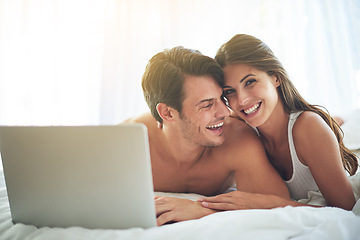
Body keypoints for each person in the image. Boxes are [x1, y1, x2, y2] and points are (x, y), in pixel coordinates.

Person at [124, 46, 290, 225]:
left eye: (222, 98)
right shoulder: (128, 141)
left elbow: (282, 209)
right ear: (167, 113)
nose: (225, 112)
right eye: (207, 105)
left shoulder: (238, 140)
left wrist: (203, 210)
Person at [198, 34, 358, 211]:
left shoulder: (309, 128)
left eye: (250, 82)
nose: (242, 100)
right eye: (230, 92)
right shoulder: (241, 128)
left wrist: (272, 204)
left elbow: (346, 210)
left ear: (275, 77)